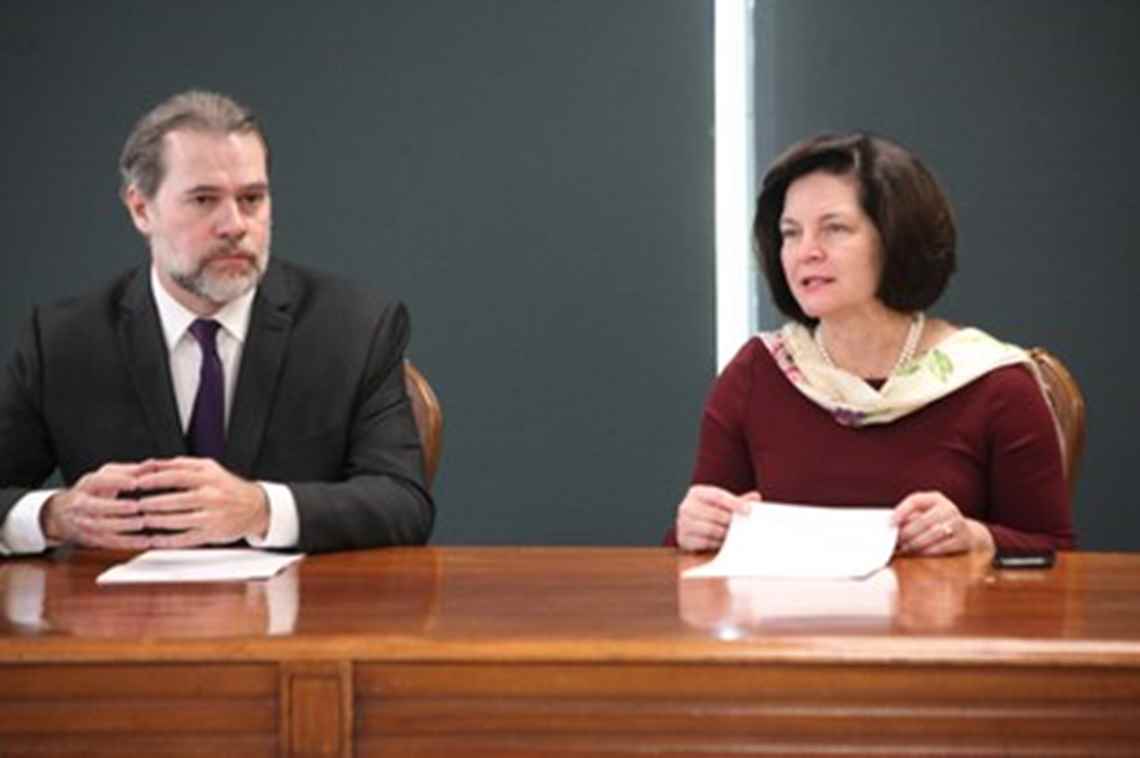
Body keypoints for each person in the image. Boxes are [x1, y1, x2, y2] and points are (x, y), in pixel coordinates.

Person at [0, 90, 433, 555]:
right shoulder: (63, 341)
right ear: (141, 208)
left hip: (301, 599)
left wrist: (262, 509)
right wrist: (52, 517)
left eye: (252, 199)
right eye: (204, 199)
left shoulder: (354, 328)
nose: (235, 225)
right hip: (121, 601)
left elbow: (403, 503)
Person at [672, 132, 1074, 555]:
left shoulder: (996, 385)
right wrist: (694, 530)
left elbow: (1055, 550)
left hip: (944, 602)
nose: (805, 251)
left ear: (897, 237)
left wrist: (975, 537)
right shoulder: (756, 372)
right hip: (791, 602)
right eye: (791, 233)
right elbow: (690, 551)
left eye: (834, 229)